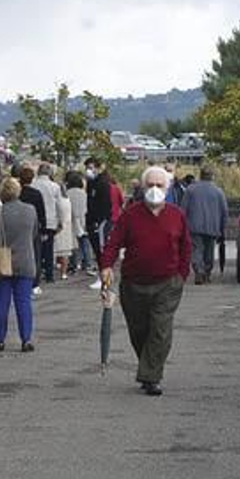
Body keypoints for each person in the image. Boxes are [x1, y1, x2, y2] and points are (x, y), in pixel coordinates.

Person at [100, 166, 192, 396]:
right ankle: (148, 366)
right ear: (142, 187)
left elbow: (186, 247)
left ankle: (151, 377)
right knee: (139, 330)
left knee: (160, 330)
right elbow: (113, 243)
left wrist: (181, 275)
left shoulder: (176, 215)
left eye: (159, 185)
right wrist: (106, 265)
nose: (154, 189)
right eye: (150, 185)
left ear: (167, 187)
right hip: (134, 284)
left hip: (167, 283)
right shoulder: (130, 215)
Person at [0, 177, 40, 352]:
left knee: (2, 302)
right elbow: (34, 234)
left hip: (3, 262)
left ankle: (0, 340)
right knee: (23, 302)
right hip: (25, 260)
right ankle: (26, 339)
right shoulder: (30, 210)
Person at [179, 166, 231, 285]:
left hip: (194, 226)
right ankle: (207, 272)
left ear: (200, 175)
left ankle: (199, 271)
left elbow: (183, 209)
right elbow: (224, 212)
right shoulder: (218, 191)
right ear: (212, 176)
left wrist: (182, 226)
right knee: (209, 251)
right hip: (213, 227)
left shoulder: (191, 190)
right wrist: (222, 229)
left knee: (196, 250)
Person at [16, 166, 49, 295]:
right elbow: (42, 213)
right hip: (34, 227)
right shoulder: (36, 194)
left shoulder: (18, 193)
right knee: (35, 254)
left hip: (19, 227)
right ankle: (34, 283)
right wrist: (44, 229)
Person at [31, 164, 62, 283]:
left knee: (36, 249)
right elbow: (59, 206)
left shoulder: (34, 185)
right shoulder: (55, 187)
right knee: (49, 249)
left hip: (36, 220)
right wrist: (60, 221)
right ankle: (49, 274)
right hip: (50, 221)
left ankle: (37, 274)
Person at [84, 158, 113, 273]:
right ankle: (102, 274)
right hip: (92, 220)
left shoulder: (103, 183)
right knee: (96, 250)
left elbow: (105, 205)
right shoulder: (92, 183)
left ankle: (104, 276)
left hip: (100, 221)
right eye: (87, 168)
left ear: (98, 168)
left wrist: (99, 221)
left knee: (102, 249)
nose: (88, 171)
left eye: (91, 168)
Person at [64, 170, 90, 275]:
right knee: (84, 242)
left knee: (73, 244)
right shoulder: (84, 193)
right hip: (83, 219)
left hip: (72, 220)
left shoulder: (67, 193)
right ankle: (87, 263)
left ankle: (73, 264)